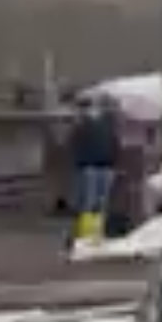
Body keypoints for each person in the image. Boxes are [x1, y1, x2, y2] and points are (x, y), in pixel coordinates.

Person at [65, 95, 121, 246]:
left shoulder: (102, 122)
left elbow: (71, 143)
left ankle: (92, 235)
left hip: (95, 166)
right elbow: (115, 142)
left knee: (94, 203)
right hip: (99, 166)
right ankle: (89, 236)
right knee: (94, 203)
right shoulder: (92, 123)